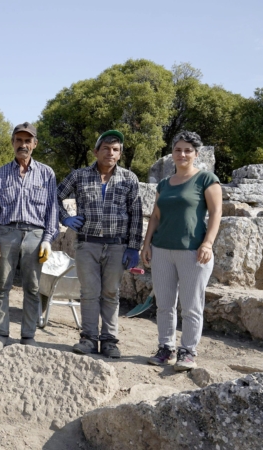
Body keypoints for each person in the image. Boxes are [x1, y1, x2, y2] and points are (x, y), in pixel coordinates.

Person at [57, 130, 142, 359]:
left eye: (115, 150)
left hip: (117, 246)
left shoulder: (129, 179)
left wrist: (133, 246)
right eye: (106, 148)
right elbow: (54, 196)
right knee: (89, 293)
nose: (110, 153)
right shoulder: (79, 176)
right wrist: (65, 218)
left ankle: (109, 341)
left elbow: (136, 213)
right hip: (87, 244)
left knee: (111, 293)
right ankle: (88, 339)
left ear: (120, 154)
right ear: (96, 152)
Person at [141, 131, 222, 371]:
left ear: (196, 154)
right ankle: (166, 348)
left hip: (193, 251)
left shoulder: (207, 179)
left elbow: (216, 213)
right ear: (172, 153)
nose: (182, 154)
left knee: (191, 306)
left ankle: (188, 351)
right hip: (162, 250)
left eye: (188, 150)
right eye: (178, 150)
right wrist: (146, 244)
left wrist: (207, 243)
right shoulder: (164, 184)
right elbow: (156, 216)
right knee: (164, 305)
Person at [0, 122, 58, 350]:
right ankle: (1, 333)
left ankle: (28, 335)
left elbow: (52, 210)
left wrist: (47, 239)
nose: (23, 145)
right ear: (12, 143)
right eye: (19, 140)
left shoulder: (47, 174)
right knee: (2, 286)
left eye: (28, 141)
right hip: (6, 233)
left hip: (35, 235)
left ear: (35, 144)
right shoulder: (0, 173)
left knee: (33, 287)